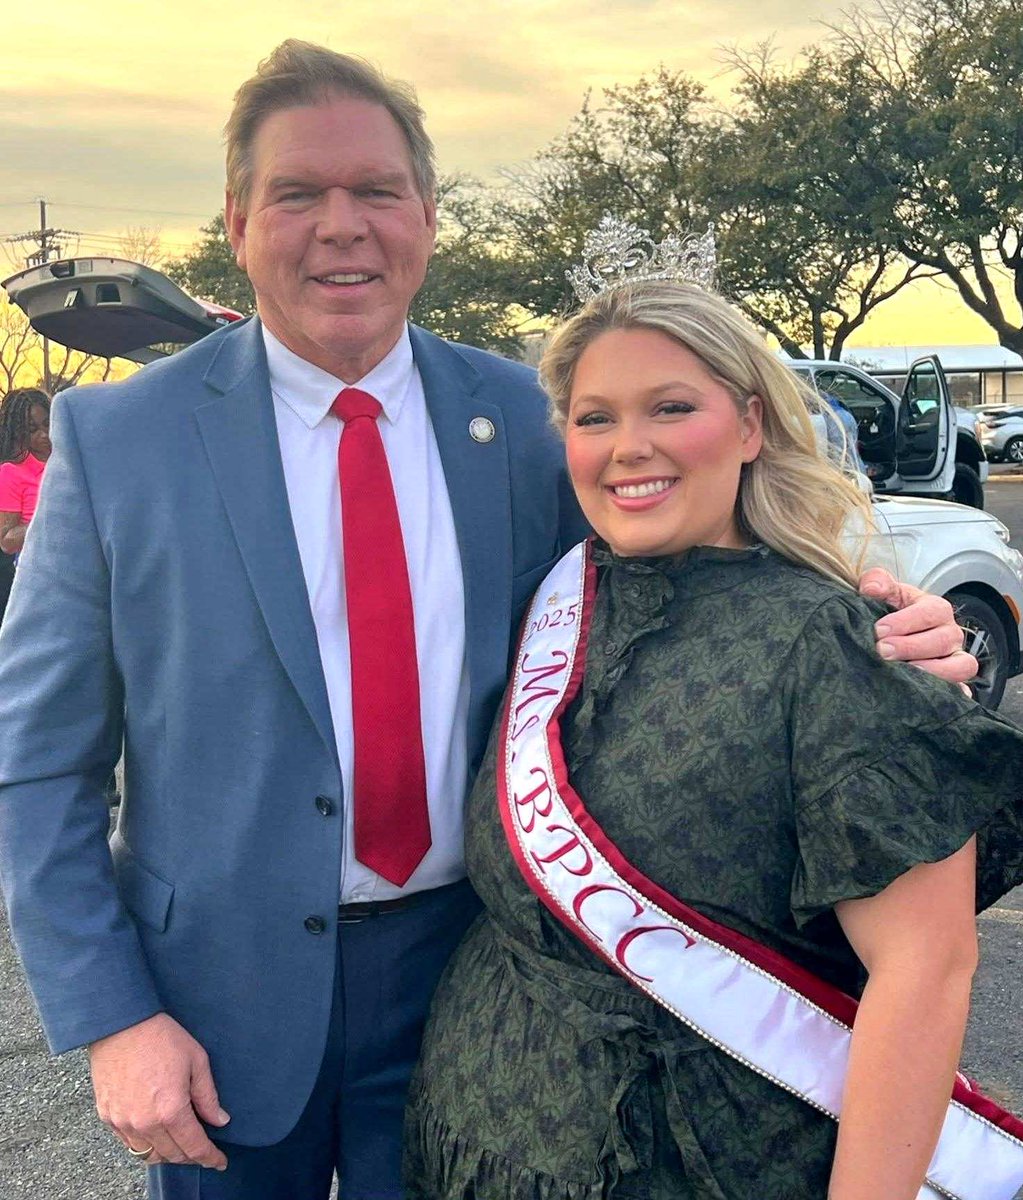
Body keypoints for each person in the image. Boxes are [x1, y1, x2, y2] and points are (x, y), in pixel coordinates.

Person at [0, 43, 973, 1200]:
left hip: (480, 996)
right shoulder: (121, 442)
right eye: (298, 193)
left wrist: (887, 617)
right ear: (238, 221)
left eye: (377, 190)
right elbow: (37, 762)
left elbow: (692, 562)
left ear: (426, 215)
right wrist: (114, 1017)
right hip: (213, 1009)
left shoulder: (531, 423)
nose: (342, 227)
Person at [405, 278, 1023, 1200]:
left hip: (707, 1165)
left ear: (748, 426)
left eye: (671, 408)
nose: (629, 446)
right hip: (469, 1147)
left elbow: (925, 970)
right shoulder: (551, 606)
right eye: (596, 418)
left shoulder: (829, 644)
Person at [0, 387, 52, 558]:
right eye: (32, 429)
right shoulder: (11, 472)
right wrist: (51, 519)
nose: (44, 434)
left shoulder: (69, 461)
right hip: (38, 565)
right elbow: (7, 541)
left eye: (47, 424)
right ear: (17, 433)